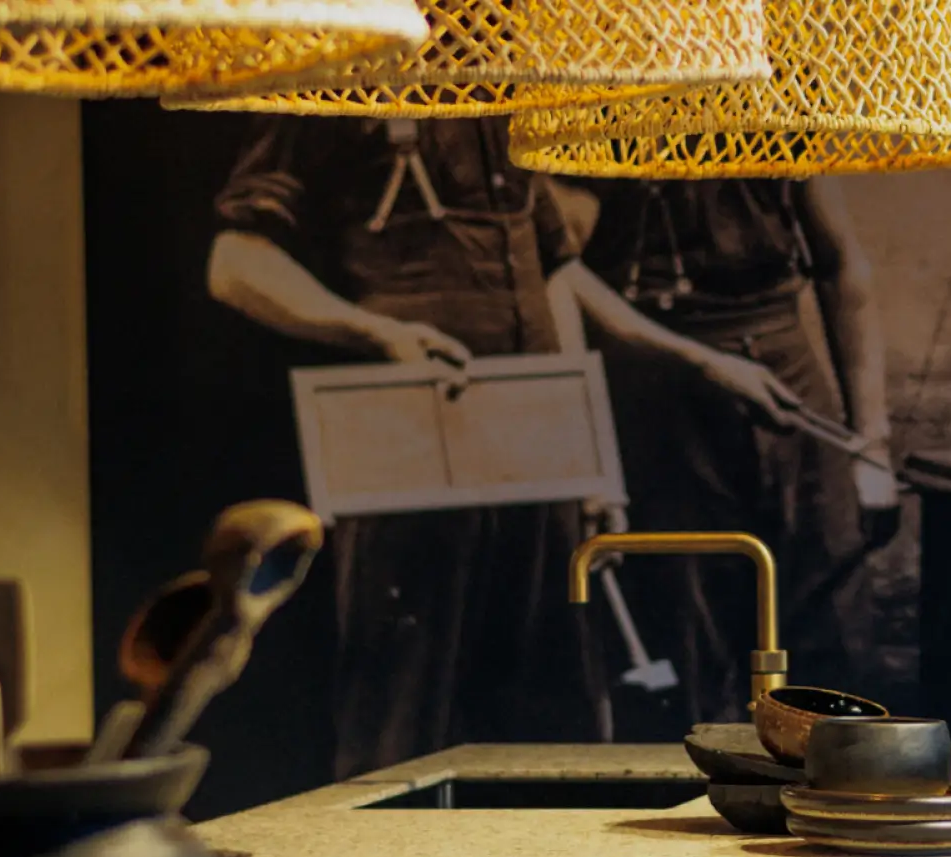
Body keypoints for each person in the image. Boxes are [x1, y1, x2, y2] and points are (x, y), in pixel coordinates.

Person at [208, 116, 799, 777]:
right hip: (410, 445)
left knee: (547, 708)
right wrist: (376, 332)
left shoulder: (505, 99)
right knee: (406, 711)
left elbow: (555, 279)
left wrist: (589, 463)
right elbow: (235, 265)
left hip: (531, 447)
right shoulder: (343, 88)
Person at [571, 178, 898, 729]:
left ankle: (834, 792)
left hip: (785, 374)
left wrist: (873, 446)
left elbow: (842, 265)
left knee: (830, 609)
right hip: (660, 387)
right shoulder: (592, 125)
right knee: (690, 622)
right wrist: (695, 359)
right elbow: (562, 270)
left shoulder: (776, 113)